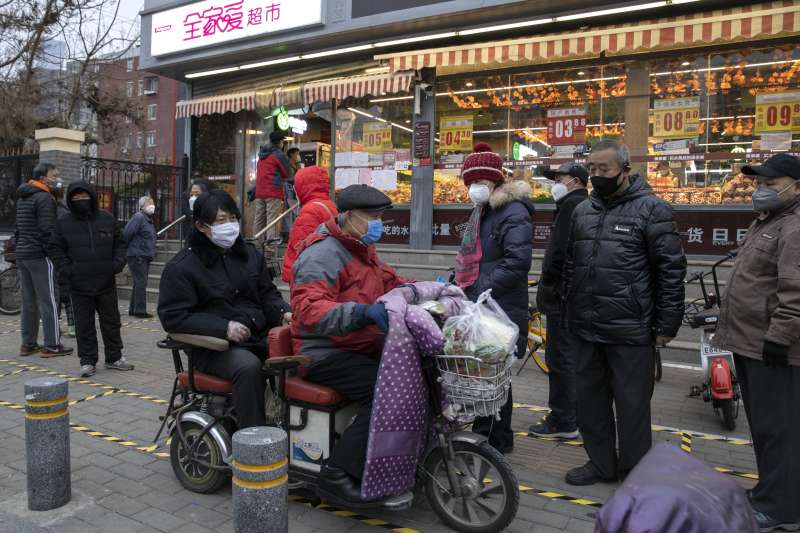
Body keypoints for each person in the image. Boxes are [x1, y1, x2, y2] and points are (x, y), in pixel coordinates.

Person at [562, 139, 686, 486]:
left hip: (631, 328)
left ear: (625, 171)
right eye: (591, 169)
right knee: (589, 402)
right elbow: (572, 264)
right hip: (585, 325)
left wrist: (667, 324)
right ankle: (601, 464)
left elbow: (671, 270)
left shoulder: (652, 210)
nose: (596, 175)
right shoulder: (583, 211)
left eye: (604, 169)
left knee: (632, 407)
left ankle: (634, 471)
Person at [291, 184, 410, 505]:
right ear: (346, 216)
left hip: (358, 345)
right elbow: (310, 309)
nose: (378, 224)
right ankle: (337, 474)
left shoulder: (361, 249)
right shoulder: (322, 254)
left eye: (381, 217)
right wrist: (361, 313)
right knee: (386, 391)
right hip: (324, 352)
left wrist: (428, 291)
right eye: (371, 216)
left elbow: (392, 282)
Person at [713, 153, 800, 532]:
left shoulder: (795, 227)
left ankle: (781, 508)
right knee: (766, 428)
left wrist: (780, 337)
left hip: (774, 348)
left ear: (796, 186)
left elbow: (795, 290)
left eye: (770, 183)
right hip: (753, 342)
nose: (760, 190)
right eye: (759, 183)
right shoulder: (772, 219)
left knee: (780, 430)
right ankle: (770, 492)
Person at [158, 189, 290, 429]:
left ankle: (289, 430)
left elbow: (267, 293)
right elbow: (174, 317)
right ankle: (252, 443)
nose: (229, 225)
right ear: (201, 226)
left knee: (297, 354)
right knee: (248, 367)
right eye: (221, 220)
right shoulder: (181, 267)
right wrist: (224, 328)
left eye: (233, 218)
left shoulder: (249, 254)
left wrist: (284, 312)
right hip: (213, 348)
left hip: (257, 336)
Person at [454, 143, 534, 455]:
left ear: (495, 182)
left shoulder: (511, 211)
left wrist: (480, 286)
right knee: (492, 371)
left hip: (500, 304)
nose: (474, 189)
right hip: (485, 302)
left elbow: (517, 261)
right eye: (470, 183)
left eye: (480, 183)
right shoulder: (483, 211)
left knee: (492, 371)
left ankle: (491, 438)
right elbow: (475, 256)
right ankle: (495, 436)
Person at [48, 182, 133, 377]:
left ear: (92, 197)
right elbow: (54, 247)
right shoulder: (63, 223)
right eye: (76, 198)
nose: (80, 200)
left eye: (84, 196)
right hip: (79, 284)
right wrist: (66, 269)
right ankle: (87, 361)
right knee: (84, 325)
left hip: (106, 282)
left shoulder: (107, 219)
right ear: (70, 200)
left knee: (111, 321)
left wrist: (118, 263)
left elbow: (120, 243)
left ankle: (114, 357)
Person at [529, 163, 589, 439]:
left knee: (560, 358)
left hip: (562, 296)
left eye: (559, 179)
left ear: (575, 181)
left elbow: (558, 253)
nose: (554, 184)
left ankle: (563, 420)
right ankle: (573, 414)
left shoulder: (571, 206)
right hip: (573, 295)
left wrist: (549, 287)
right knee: (569, 357)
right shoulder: (580, 204)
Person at [14, 162, 73, 358]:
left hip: (23, 254)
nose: (57, 179)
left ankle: (28, 344)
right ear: (43, 178)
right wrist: (53, 254)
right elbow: (47, 230)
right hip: (40, 255)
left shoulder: (24, 196)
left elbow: (19, 228)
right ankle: (52, 344)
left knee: (29, 301)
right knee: (50, 300)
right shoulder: (44, 197)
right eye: (54, 175)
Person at [281, 166, 337, 283]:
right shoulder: (329, 205)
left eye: (296, 186)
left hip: (307, 276)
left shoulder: (310, 211)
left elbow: (299, 245)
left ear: (303, 187)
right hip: (323, 270)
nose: (295, 190)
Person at [255, 130, 291, 247]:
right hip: (272, 191)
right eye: (282, 141)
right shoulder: (278, 154)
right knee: (272, 219)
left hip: (260, 191)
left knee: (259, 218)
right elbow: (287, 173)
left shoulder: (262, 154)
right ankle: (270, 249)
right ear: (280, 142)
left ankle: (256, 245)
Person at [124, 196, 157, 318]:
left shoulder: (147, 219)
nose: (152, 204)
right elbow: (127, 233)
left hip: (144, 255)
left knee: (138, 283)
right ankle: (140, 310)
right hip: (138, 255)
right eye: (149, 202)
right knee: (141, 282)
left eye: (152, 202)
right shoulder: (139, 217)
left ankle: (134, 309)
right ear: (142, 206)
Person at [54, 187, 75, 338]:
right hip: (65, 258)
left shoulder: (50, 210)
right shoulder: (64, 212)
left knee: (55, 296)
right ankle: (72, 326)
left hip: (52, 258)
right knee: (68, 295)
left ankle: (55, 325)